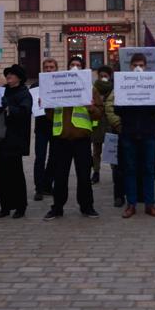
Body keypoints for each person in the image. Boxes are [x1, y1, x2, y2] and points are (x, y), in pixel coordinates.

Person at [43, 65, 103, 221]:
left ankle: (87, 207)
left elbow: (99, 113)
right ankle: (57, 208)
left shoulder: (90, 89)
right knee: (60, 176)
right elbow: (50, 116)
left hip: (81, 139)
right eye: (71, 66)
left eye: (77, 66)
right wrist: (46, 104)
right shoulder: (57, 87)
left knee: (84, 176)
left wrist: (91, 108)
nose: (74, 69)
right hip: (61, 139)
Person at [117, 53, 155, 219]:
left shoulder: (152, 84)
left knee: (149, 169)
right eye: (136, 65)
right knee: (130, 169)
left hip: (147, 133)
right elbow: (118, 111)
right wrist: (123, 99)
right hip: (129, 133)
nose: (138, 68)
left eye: (141, 65)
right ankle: (131, 204)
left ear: (146, 67)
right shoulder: (123, 84)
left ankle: (150, 204)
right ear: (130, 67)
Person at [0, 65, 32, 219]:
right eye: (8, 74)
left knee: (15, 174)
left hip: (14, 140)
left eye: (12, 74)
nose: (9, 77)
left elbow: (24, 113)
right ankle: (5, 206)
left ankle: (20, 206)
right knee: (0, 173)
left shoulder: (24, 93)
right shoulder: (0, 91)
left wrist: (9, 108)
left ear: (19, 78)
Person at [33, 58, 58, 201]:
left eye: (52, 67)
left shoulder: (61, 84)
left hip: (55, 126)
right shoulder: (36, 86)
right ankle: (39, 188)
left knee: (54, 158)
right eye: (46, 67)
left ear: (56, 69)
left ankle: (47, 184)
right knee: (40, 158)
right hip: (41, 127)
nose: (49, 69)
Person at [91, 65, 114, 184]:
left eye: (105, 76)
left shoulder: (113, 89)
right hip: (97, 123)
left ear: (109, 77)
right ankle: (96, 172)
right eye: (101, 76)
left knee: (111, 150)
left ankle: (115, 172)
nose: (103, 78)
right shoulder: (94, 89)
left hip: (109, 123)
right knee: (96, 150)